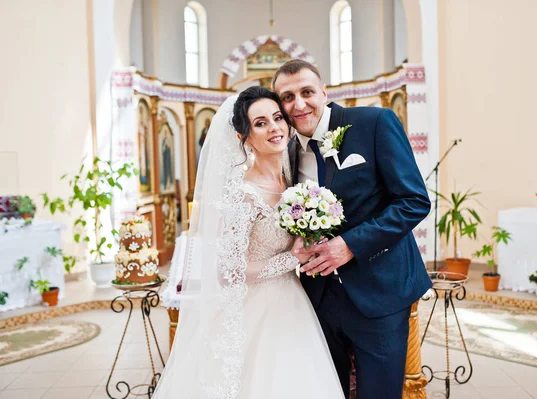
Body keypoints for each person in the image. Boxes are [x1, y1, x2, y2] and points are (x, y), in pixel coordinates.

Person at [151, 86, 344, 399]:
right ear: (244, 137)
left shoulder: (293, 180)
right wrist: (292, 258)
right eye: (260, 123)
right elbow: (227, 271)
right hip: (253, 311)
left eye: (277, 118)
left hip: (292, 303)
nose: (274, 128)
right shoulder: (242, 194)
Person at [273, 59, 432, 399]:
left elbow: (414, 200)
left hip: (380, 292)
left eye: (306, 92)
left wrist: (349, 245)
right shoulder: (284, 151)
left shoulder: (373, 123)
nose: (298, 104)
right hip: (319, 297)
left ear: (324, 92)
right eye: (287, 97)